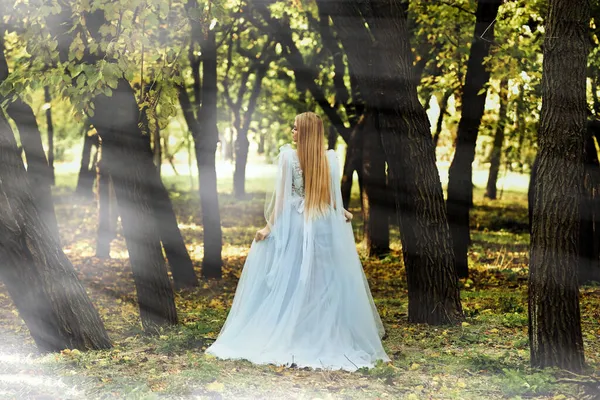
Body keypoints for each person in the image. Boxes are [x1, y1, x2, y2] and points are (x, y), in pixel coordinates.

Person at [205, 112, 389, 371]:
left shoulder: (289, 158)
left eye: (295, 129)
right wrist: (339, 211)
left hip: (297, 223)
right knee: (320, 279)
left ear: (305, 133)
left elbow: (284, 198)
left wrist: (271, 226)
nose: (291, 132)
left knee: (296, 277)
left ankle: (297, 329)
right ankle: (312, 328)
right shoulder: (330, 158)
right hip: (321, 222)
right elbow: (330, 198)